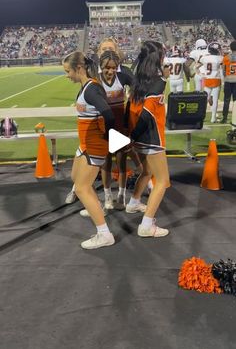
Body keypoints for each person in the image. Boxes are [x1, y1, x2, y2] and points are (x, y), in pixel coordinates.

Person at [63, 51, 115, 249]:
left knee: (83, 188)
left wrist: (108, 139)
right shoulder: (86, 86)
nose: (67, 75)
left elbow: (109, 115)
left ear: (79, 68)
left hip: (94, 145)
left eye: (68, 71)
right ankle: (96, 208)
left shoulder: (92, 89)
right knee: (77, 180)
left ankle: (104, 234)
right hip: (85, 144)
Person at [80, 49, 134, 217]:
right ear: (100, 67)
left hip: (120, 128)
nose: (110, 71)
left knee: (122, 164)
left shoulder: (123, 77)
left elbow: (136, 87)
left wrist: (131, 96)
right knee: (106, 165)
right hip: (104, 129)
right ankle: (108, 198)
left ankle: (122, 196)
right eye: (106, 68)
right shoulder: (95, 83)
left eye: (113, 68)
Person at [126, 40, 170, 238]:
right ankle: (146, 225)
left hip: (139, 137)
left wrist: (131, 136)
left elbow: (130, 109)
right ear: (158, 58)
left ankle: (134, 202)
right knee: (162, 181)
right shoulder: (158, 82)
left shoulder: (137, 80)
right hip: (151, 138)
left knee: (146, 172)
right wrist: (132, 137)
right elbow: (147, 115)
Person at [197, 42, 223, 123]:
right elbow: (222, 69)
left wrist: (201, 74)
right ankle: (213, 118)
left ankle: (202, 117)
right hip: (216, 80)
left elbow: (196, 66)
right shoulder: (220, 58)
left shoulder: (205, 58)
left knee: (205, 100)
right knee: (215, 100)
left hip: (207, 80)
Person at [221, 40, 236, 124]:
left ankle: (225, 118)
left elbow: (223, 70)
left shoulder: (226, 57)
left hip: (228, 80)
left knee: (226, 100)